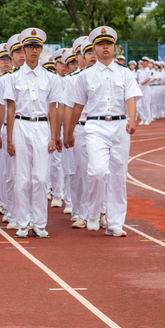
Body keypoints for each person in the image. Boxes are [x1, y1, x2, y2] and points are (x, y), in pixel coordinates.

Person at [64, 26, 142, 236]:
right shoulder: (85, 76)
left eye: (108, 44)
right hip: (95, 126)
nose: (105, 48)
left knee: (118, 175)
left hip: (119, 126)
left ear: (114, 47)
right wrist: (70, 132)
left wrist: (132, 119)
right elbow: (78, 106)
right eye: (100, 44)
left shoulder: (125, 73)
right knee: (97, 171)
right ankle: (93, 212)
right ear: (94, 48)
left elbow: (130, 97)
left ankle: (115, 224)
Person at [1, 28, 62, 238]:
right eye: (29, 47)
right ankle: (22, 222)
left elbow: (53, 109)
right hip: (20, 125)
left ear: (41, 50)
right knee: (22, 177)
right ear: (23, 50)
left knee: (41, 177)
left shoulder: (50, 78)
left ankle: (39, 223)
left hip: (42, 127)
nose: (33, 51)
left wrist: (54, 136)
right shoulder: (13, 78)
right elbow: (10, 108)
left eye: (37, 47)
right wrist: (9, 138)